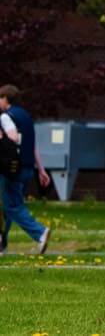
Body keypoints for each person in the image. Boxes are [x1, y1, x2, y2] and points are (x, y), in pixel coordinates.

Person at [0, 85, 51, 254]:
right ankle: (2, 243)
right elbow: (32, 145)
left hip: (15, 168)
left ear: (5, 99)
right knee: (9, 204)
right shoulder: (26, 116)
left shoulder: (7, 116)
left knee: (12, 206)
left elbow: (13, 137)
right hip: (28, 168)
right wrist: (41, 169)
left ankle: (40, 232)